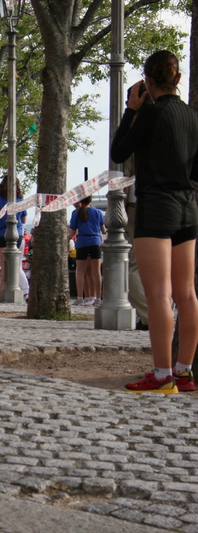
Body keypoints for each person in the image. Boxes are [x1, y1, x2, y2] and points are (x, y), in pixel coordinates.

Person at [110, 50, 198, 395]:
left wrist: (131, 110)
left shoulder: (149, 113)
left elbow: (119, 152)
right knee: (187, 293)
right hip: (188, 207)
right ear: (177, 78)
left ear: (147, 81)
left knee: (159, 293)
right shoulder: (192, 117)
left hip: (156, 207)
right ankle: (185, 372)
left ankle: (162, 376)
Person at [0, 176, 27, 294]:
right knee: (16, 264)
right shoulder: (21, 200)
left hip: (1, 233)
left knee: (5, 264)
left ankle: (4, 291)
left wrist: (0, 217)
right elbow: (24, 219)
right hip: (18, 233)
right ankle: (22, 290)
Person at [68, 196, 105, 307]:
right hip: (95, 242)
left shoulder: (76, 213)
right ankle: (98, 298)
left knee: (80, 271)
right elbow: (103, 229)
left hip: (82, 242)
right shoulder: (98, 212)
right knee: (96, 271)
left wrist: (67, 240)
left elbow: (72, 232)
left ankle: (80, 297)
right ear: (90, 200)